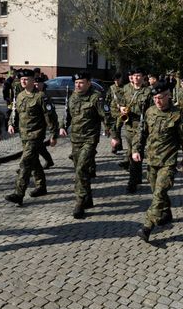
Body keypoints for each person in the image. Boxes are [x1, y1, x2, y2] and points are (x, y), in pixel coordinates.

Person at [135, 80, 183, 242]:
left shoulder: (177, 114)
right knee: (157, 192)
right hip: (152, 160)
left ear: (168, 96)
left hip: (168, 162)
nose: (157, 101)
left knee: (159, 193)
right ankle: (166, 212)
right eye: (155, 98)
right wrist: (135, 149)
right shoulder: (150, 112)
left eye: (160, 98)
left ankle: (147, 226)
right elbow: (141, 133)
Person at [60, 72, 118, 219]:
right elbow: (67, 114)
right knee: (82, 171)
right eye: (76, 83)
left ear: (88, 83)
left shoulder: (96, 97)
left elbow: (107, 118)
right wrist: (62, 126)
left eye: (81, 82)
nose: (78, 85)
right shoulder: (73, 96)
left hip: (90, 139)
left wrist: (114, 137)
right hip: (75, 139)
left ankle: (79, 203)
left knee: (80, 169)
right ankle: (88, 199)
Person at [5, 69, 58, 206]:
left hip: (36, 135)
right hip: (24, 136)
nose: (23, 81)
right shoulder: (20, 95)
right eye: (21, 79)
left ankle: (18, 193)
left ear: (33, 81)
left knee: (25, 163)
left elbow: (50, 117)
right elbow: (14, 112)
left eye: (26, 79)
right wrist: (11, 124)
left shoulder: (41, 97)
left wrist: (53, 134)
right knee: (34, 162)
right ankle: (41, 186)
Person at [119, 69, 153, 193]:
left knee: (138, 151)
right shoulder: (126, 89)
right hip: (129, 125)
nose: (136, 78)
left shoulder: (148, 91)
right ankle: (135, 178)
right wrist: (122, 109)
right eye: (134, 76)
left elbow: (152, 109)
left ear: (143, 77)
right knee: (131, 153)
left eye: (139, 76)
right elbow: (121, 103)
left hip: (142, 125)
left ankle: (135, 180)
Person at [34, 73, 55, 169]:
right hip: (32, 125)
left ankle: (27, 166)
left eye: (38, 84)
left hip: (41, 125)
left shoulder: (45, 96)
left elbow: (50, 115)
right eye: (35, 84)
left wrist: (53, 132)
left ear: (42, 84)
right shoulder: (32, 94)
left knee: (34, 147)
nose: (36, 86)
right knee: (39, 146)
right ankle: (49, 161)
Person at [106, 72, 126, 154]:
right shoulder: (111, 88)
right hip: (112, 112)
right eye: (115, 80)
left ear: (121, 79)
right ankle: (119, 145)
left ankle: (115, 147)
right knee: (113, 129)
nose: (116, 81)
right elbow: (108, 98)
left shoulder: (125, 88)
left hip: (121, 113)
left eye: (118, 79)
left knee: (117, 128)